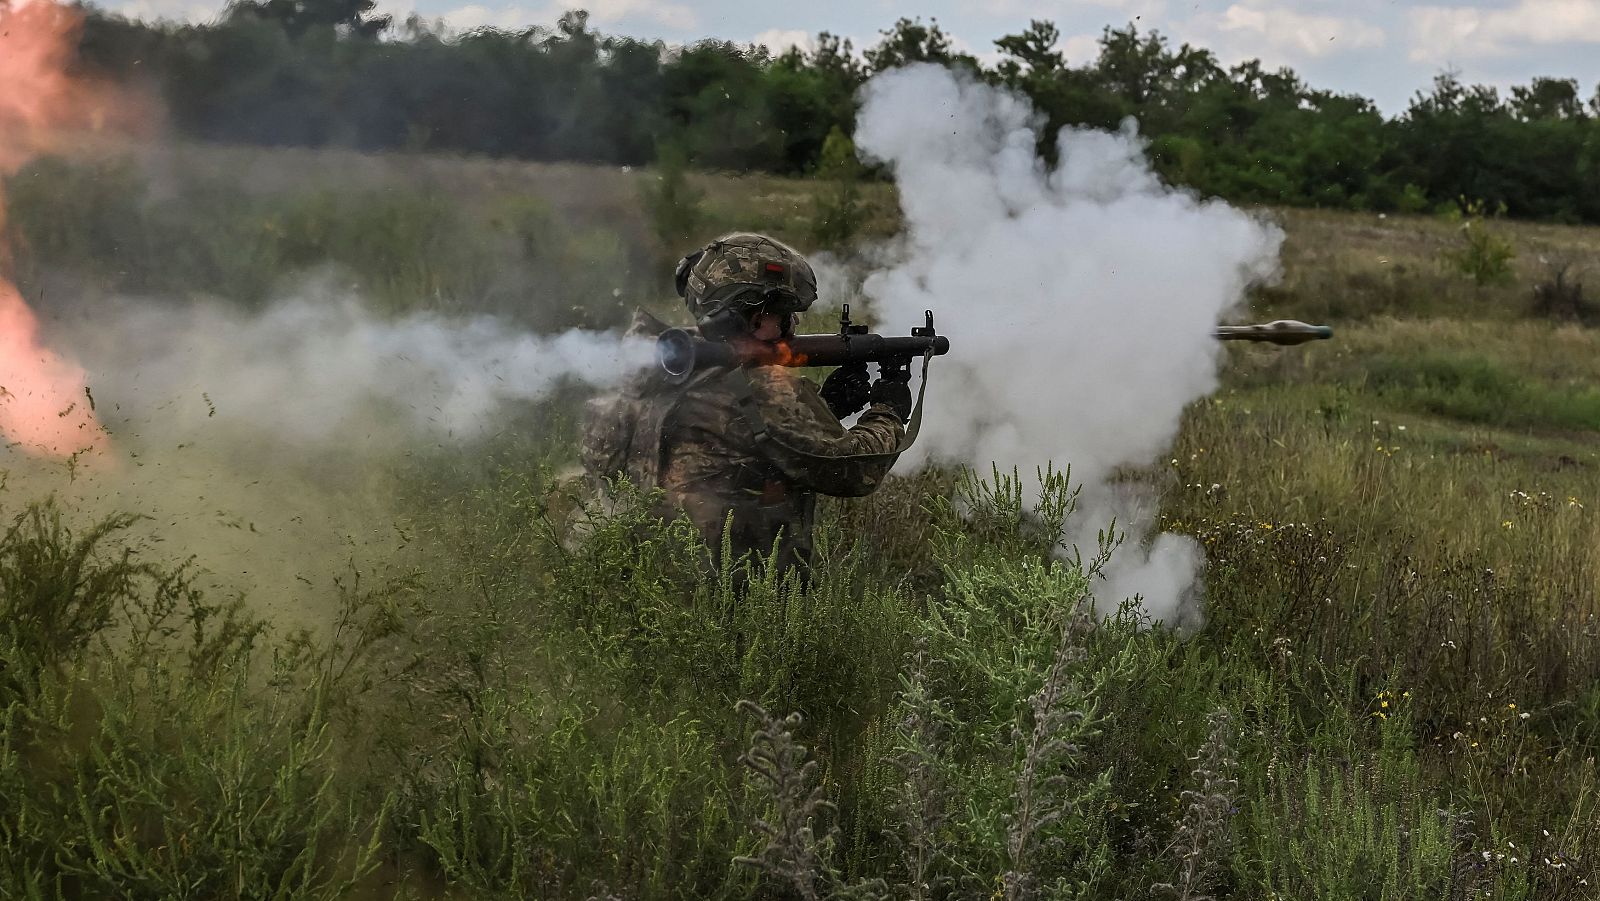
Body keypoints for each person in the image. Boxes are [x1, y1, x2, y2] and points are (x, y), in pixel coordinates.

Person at [580, 232, 912, 577]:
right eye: (782, 314)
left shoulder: (656, 370)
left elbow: (742, 443)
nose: (791, 326)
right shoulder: (761, 390)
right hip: (730, 600)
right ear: (752, 318)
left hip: (644, 587)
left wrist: (826, 405)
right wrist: (888, 410)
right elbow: (853, 471)